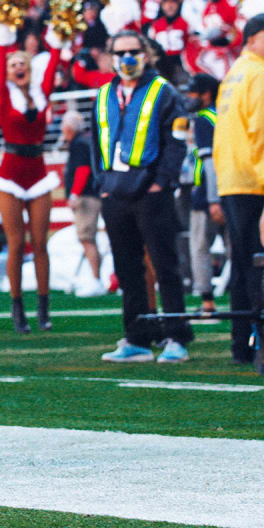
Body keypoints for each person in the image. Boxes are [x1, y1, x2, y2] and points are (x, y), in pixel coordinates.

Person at [94, 31, 192, 363]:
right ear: (110, 57)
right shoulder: (105, 93)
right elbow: (97, 142)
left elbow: (177, 137)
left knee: (165, 265)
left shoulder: (163, 91)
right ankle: (136, 337)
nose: (127, 58)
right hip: (115, 191)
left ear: (146, 55)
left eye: (133, 51)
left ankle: (177, 336)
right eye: (120, 52)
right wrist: (102, 182)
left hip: (151, 190)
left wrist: (161, 182)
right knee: (127, 268)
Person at [0, 24, 62, 333]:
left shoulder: (41, 94)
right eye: (13, 65)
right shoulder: (4, 95)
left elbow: (54, 62)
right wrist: (2, 33)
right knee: (16, 244)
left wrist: (57, 39)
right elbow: (0, 53)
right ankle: (18, 309)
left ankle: (44, 309)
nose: (18, 68)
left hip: (38, 171)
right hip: (10, 174)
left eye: (23, 64)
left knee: (41, 243)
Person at [212, 14, 264, 366]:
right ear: (252, 39)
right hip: (254, 179)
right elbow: (260, 133)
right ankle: (258, 344)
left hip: (232, 179)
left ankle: (240, 346)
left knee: (242, 264)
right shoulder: (259, 74)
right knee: (258, 266)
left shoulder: (233, 74)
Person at [185, 74, 223, 314]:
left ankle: (207, 302)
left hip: (209, 194)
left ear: (205, 94)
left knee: (199, 247)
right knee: (237, 248)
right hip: (231, 188)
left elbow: (209, 162)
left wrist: (212, 199)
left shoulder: (203, 120)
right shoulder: (222, 115)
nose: (189, 97)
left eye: (193, 92)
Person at [60, 111, 105, 296]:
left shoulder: (78, 144)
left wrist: (74, 194)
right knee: (88, 239)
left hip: (86, 197)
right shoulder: (85, 141)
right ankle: (95, 278)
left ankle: (96, 280)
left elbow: (82, 169)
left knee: (87, 239)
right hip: (91, 194)